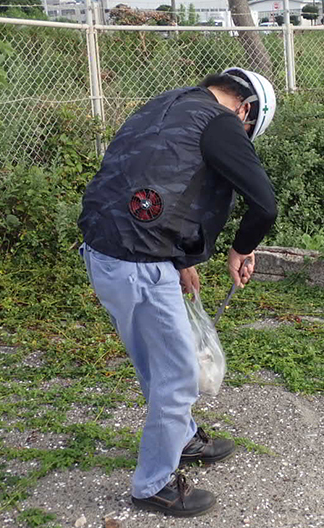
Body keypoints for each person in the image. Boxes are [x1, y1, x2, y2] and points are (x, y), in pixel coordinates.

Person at [77, 68, 278, 517]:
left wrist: (182, 260)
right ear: (246, 109)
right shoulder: (223, 121)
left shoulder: (166, 104)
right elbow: (264, 203)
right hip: (139, 264)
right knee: (180, 373)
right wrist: (241, 249)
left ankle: (182, 437)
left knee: (157, 363)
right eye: (249, 130)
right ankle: (153, 485)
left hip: (103, 253)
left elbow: (160, 179)